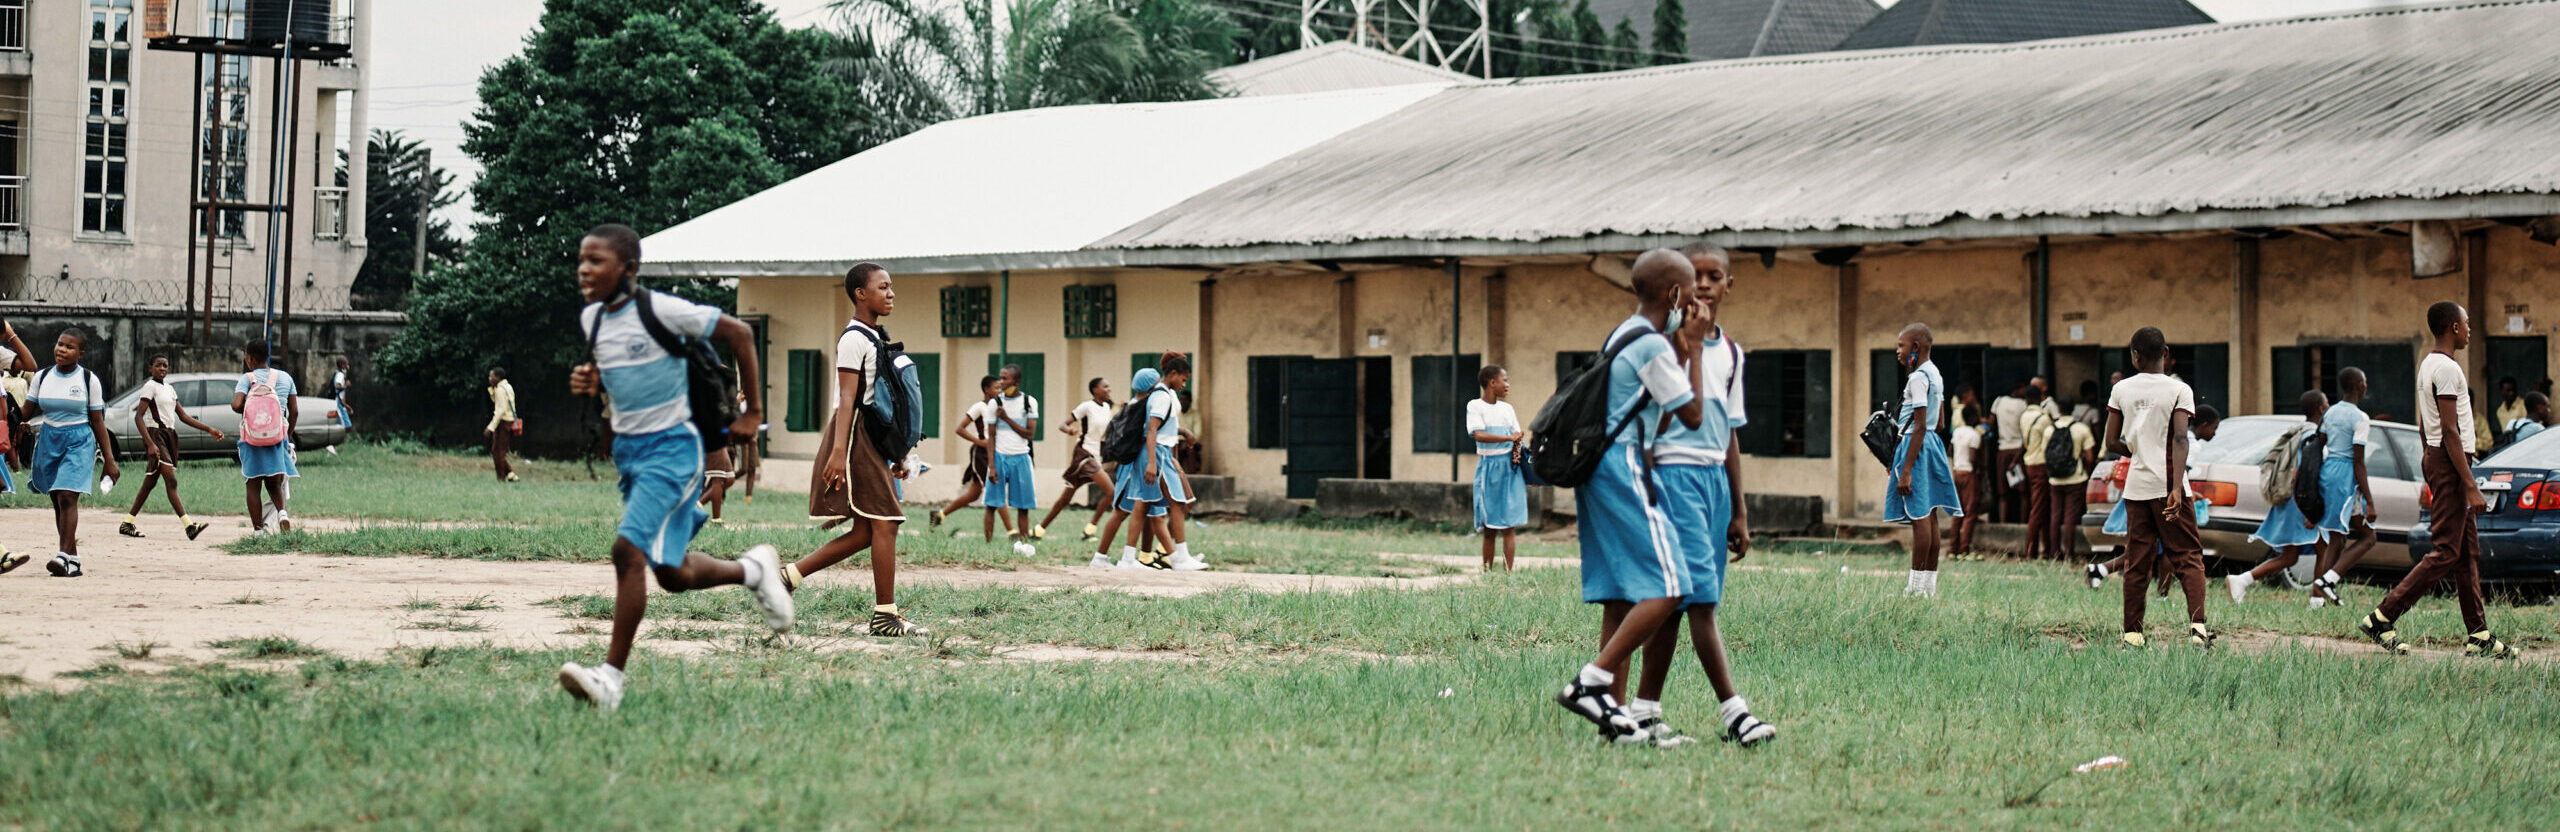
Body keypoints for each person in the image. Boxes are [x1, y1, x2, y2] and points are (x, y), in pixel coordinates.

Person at [557, 224, 796, 711]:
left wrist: (752, 414)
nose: (584, 269)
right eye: (581, 259)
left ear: (628, 269)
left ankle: (610, 679)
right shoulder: (592, 322)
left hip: (675, 451)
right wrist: (590, 380)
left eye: (596, 260)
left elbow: (739, 332)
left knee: (628, 552)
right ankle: (753, 570)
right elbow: (619, 372)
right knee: (671, 572)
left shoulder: (662, 310)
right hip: (632, 454)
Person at [1552, 249, 1714, 744]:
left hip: (1599, 466)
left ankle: (1615, 722)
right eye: (1689, 291)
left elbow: (1656, 412)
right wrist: (1697, 349)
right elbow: (1691, 417)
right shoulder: (1653, 347)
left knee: (1621, 599)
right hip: (1623, 467)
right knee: (1670, 585)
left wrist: (1681, 350)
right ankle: (1591, 682)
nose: (1695, 300)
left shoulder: (1624, 334)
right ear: (1673, 294)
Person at [1625, 242, 1774, 748]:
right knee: (1698, 602)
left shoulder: (1731, 353)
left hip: (1712, 481)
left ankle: (1644, 710)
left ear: (1729, 285)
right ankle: (1737, 713)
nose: (1706, 284)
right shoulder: (1663, 342)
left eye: (1715, 276)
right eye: (1697, 276)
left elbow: (1730, 433)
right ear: (1681, 287)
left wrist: (1740, 510)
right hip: (1672, 475)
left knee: (1678, 602)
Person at [2358, 302, 2518, 660]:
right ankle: (2382, 617)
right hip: (2450, 462)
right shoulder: (2446, 369)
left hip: (2441, 459)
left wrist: (2430, 457)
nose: (2469, 329)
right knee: (2446, 550)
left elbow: (2425, 425)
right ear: (2452, 327)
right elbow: (2449, 430)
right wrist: (2470, 484)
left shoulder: (2429, 364)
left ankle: (2478, 635)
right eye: (2466, 323)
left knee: (2466, 553)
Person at [782, 263, 925, 636]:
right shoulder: (853, 338)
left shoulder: (876, 336)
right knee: (887, 522)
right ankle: (885, 615)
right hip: (853, 437)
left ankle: (789, 576)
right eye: (883, 287)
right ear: (861, 294)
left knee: (866, 531)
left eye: (892, 287)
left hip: (869, 437)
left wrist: (896, 453)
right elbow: (848, 400)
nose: (891, 293)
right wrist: (836, 454)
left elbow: (883, 402)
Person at [2102, 327, 2213, 649]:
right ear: (2165, 353)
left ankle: (2133, 634)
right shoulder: (2179, 389)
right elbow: (2180, 438)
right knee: (2188, 556)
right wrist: (2177, 487)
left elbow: (2111, 441)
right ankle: (2197, 629)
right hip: (2169, 484)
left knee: (2137, 558)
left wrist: (2137, 452)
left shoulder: (2121, 389)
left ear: (2135, 355)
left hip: (2137, 488)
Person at [2085, 405, 2220, 591]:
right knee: (2171, 546)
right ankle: (2162, 593)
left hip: (2146, 491)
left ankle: (2100, 570)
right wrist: (2180, 497)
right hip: (2165, 497)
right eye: (2214, 428)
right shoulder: (2192, 445)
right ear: (2204, 425)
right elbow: (2178, 475)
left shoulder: (2169, 435)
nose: (2214, 433)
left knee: (2146, 546)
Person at [20, 330, 120, 578]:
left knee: (67, 496)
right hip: (48, 439)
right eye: (59, 344)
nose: (61, 350)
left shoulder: (88, 380)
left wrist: (109, 460)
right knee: (57, 500)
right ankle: (72, 560)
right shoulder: (42, 377)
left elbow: (97, 421)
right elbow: (25, 412)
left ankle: (62, 555)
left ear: (81, 353)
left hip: (79, 441)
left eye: (69, 347)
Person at [2230, 390, 2330, 604]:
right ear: (2322, 408)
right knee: (2324, 548)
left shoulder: (2299, 432)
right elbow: (2307, 474)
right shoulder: (2312, 437)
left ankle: (2243, 579)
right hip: (2302, 503)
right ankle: (2317, 601)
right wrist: (2313, 509)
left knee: (2289, 556)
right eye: (2327, 404)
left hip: (2292, 501)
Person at [1886, 323, 1963, 597]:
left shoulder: (1917, 377)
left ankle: (1915, 587)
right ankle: (1928, 586)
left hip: (1916, 446)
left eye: (1901, 346)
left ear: (1915, 347)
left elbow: (1918, 426)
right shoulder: (1936, 375)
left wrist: (1905, 470)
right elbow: (1939, 423)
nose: (1898, 351)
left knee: (1919, 517)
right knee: (1930, 518)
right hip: (1932, 445)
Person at [121, 355, 223, 541]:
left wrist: (208, 429)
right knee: (171, 481)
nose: (162, 368)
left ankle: (127, 523)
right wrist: (150, 444)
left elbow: (182, 416)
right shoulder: (150, 387)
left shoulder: (169, 388)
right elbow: (139, 417)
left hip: (169, 436)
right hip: (156, 435)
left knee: (150, 482)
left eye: (165, 365)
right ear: (150, 368)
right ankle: (189, 526)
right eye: (158, 365)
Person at [2308, 368, 2381, 608]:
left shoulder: (2330, 412)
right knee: (2368, 537)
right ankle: (2330, 579)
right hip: (2345, 477)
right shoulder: (2360, 418)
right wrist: (2369, 500)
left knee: (2337, 538)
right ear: (2360, 385)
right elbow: (2358, 460)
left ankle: (2318, 598)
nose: (2366, 386)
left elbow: (2322, 442)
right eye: (2366, 382)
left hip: (2328, 473)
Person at [1130, 353, 1203, 570]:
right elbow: (1151, 430)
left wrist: (1182, 432)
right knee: (1175, 504)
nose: (1184, 385)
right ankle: (1178, 556)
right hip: (1160, 454)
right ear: (1172, 373)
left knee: (1153, 507)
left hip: (1163, 454)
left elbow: (1163, 427)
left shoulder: (1164, 394)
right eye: (1183, 379)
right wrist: (1152, 463)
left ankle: (1163, 555)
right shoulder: (1162, 396)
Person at [1091, 367, 1164, 570]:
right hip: (1133, 469)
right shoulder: (1141, 407)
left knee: (1146, 511)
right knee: (1122, 511)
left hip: (1130, 466)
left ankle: (1135, 556)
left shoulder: (1134, 404)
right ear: (1152, 386)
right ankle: (1107, 556)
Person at [931, 376, 1011, 540]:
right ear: (987, 390)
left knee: (974, 494)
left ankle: (939, 514)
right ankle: (1012, 532)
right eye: (996, 387)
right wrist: (979, 442)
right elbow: (960, 429)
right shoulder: (979, 407)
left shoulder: (1000, 407)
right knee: (996, 489)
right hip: (981, 454)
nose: (999, 391)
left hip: (996, 453)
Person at [233, 339, 300, 535]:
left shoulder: (247, 378)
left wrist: (249, 407)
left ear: (250, 358)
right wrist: (286, 436)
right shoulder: (285, 378)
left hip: (252, 439)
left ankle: (258, 531)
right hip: (276, 438)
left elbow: (236, 405)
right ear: (268, 356)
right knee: (274, 482)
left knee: (253, 484)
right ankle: (282, 513)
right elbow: (294, 411)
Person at [1038, 378, 1115, 540]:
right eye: (1105, 387)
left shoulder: (1107, 407)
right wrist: (1070, 431)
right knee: (1110, 491)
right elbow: (1062, 424)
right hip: (1084, 455)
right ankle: (1090, 530)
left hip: (1096, 455)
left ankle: (1038, 530)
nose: (1109, 389)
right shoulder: (1086, 407)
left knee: (1066, 498)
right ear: (1095, 390)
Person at [1468, 364, 1528, 572]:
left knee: (1508, 526)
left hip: (1509, 469)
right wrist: (1508, 438)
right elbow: (1478, 434)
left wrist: (1527, 466)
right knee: (1489, 527)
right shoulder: (1475, 406)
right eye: (1505, 380)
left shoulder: (1507, 409)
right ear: (1492, 383)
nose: (1508, 385)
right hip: (1488, 468)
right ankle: (1488, 573)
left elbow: (1518, 436)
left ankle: (1508, 573)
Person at [984, 364, 1040, 542]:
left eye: (1005, 378)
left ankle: (1023, 545)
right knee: (992, 504)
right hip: (999, 457)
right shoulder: (995, 403)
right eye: (1000, 377)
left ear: (1016, 381)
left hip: (1021, 457)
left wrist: (1006, 418)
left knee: (1023, 506)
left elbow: (1030, 434)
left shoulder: (1029, 402)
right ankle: (988, 545)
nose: (1001, 382)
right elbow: (991, 436)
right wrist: (991, 466)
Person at [2043, 398, 2096, 562]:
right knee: (2070, 518)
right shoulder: (2081, 429)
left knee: (2055, 516)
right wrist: (2085, 472)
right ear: (2073, 409)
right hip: (2075, 478)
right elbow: (2089, 456)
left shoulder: (2049, 430)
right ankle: (2069, 554)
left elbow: (2046, 454)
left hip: (2055, 479)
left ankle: (2054, 552)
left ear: (2058, 408)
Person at [2018, 384, 2057, 560]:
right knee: (2038, 508)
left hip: (2028, 462)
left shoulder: (2024, 416)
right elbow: (2048, 443)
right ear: (2041, 397)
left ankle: (2047, 549)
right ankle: (2030, 551)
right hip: (2041, 464)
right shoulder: (2043, 418)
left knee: (2042, 507)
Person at [1948, 404, 1986, 557]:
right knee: (1970, 513)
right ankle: (1964, 548)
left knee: (1958, 511)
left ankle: (1953, 548)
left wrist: (1958, 461)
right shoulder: (1974, 434)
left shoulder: (1957, 432)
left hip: (1957, 472)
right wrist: (1981, 469)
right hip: (1969, 473)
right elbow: (1973, 457)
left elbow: (1950, 451)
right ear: (1972, 417)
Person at [1989, 382, 2029, 522]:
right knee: (2023, 491)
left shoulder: (1998, 402)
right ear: (2017, 389)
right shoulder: (2023, 405)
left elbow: (1991, 423)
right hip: (2018, 449)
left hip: (2003, 449)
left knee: (2003, 493)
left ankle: (2002, 522)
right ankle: (2023, 522)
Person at [486, 367, 519, 482]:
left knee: (498, 452)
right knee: (498, 450)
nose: (489, 378)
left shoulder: (500, 390)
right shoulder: (507, 387)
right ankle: (510, 473)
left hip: (503, 423)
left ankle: (501, 478)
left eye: (492, 376)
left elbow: (500, 410)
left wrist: (490, 427)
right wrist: (492, 392)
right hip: (509, 421)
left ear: (498, 378)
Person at [327, 355, 352, 454]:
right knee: (345, 426)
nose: (348, 366)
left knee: (343, 426)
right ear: (342, 365)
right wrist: (345, 386)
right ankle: (330, 444)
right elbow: (337, 387)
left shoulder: (340, 374)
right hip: (337, 403)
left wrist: (346, 406)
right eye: (346, 364)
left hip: (339, 403)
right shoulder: (340, 375)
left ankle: (331, 445)